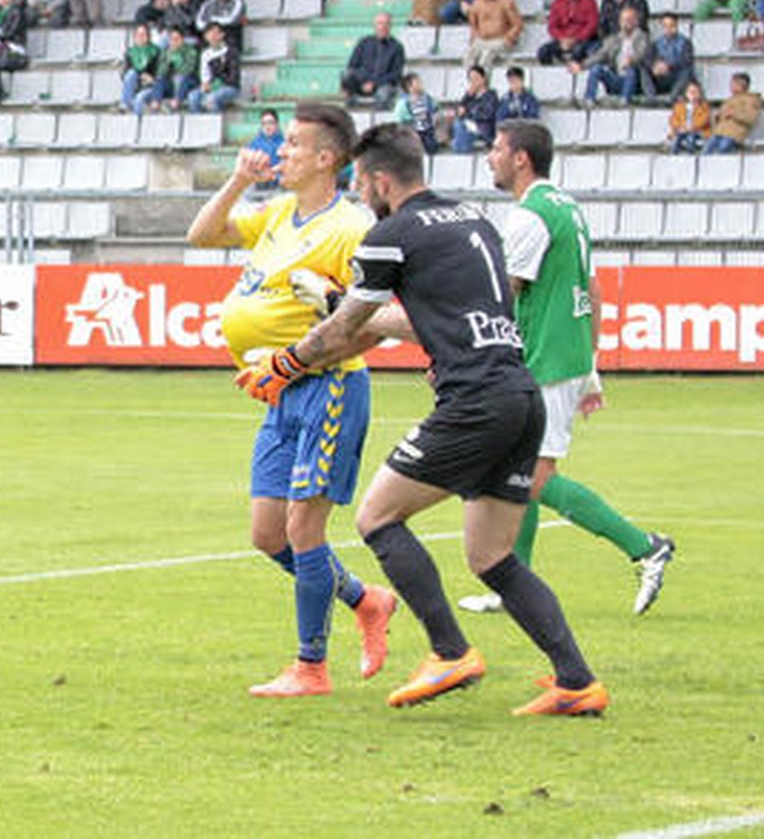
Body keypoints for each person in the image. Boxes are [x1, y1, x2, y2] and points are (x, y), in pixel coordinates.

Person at [236, 122, 607, 716]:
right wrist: (335, 305)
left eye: (361, 182)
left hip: (474, 402)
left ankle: (449, 650)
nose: (360, 193)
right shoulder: (475, 221)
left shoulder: (391, 234)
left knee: (378, 517)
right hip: (520, 394)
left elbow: (342, 334)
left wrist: (283, 364)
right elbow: (429, 321)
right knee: (492, 558)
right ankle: (576, 681)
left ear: (381, 180)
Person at [186, 103, 395, 697]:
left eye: (294, 146)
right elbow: (202, 235)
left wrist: (299, 361)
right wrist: (237, 181)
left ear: (327, 158)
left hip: (327, 386)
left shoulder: (350, 227)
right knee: (267, 533)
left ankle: (311, 668)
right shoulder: (278, 211)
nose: (282, 153)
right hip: (279, 393)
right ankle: (366, 599)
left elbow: (373, 322)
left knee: (304, 529)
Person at [452, 121, 676, 615]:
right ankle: (515, 586)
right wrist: (590, 368)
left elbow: (503, 293)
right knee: (518, 469)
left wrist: (466, 353)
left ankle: (646, 547)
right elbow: (591, 291)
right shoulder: (568, 208)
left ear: (521, 159)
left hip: (544, 359)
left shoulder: (530, 216)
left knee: (533, 477)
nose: (489, 157)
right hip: (564, 355)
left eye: (496, 149)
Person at [340, 13, 405, 111]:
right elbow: (352, 65)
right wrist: (365, 81)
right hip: (361, 83)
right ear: (375, 26)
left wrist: (374, 83)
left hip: (383, 84)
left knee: (384, 93)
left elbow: (396, 74)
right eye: (380, 23)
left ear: (390, 26)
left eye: (386, 24)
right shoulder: (364, 42)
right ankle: (351, 109)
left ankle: (378, 120)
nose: (382, 27)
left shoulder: (397, 47)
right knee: (345, 74)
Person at [705, 71, 762, 154]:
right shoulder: (729, 100)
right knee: (707, 149)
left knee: (723, 148)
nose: (731, 86)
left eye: (733, 84)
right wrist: (718, 116)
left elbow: (750, 118)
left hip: (735, 134)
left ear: (742, 85)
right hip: (720, 132)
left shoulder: (751, 100)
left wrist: (734, 114)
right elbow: (719, 116)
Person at [667, 80, 712, 154]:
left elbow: (704, 120)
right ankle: (673, 155)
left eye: (695, 92)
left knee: (690, 138)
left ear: (700, 94)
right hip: (681, 130)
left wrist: (691, 127)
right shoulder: (679, 106)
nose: (693, 94)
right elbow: (673, 119)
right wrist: (681, 126)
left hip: (698, 131)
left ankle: (690, 156)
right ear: (686, 94)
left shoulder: (704, 107)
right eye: (690, 92)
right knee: (676, 138)